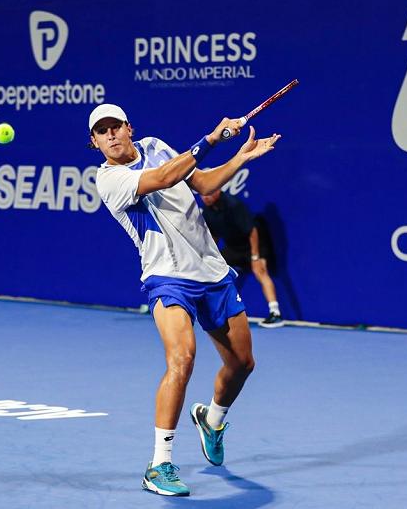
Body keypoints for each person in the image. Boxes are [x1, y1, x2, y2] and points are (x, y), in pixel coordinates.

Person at [90, 103, 281, 496]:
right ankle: (159, 464)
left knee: (242, 363)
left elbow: (204, 183)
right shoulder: (108, 179)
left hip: (212, 271)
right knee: (182, 357)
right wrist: (211, 138)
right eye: (101, 132)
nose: (110, 135)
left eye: (115, 127)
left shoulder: (157, 144)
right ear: (94, 142)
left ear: (129, 128)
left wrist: (238, 158)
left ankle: (212, 419)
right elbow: (162, 178)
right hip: (167, 277)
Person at [201, 189, 284, 328]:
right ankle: (215, 311)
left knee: (260, 271)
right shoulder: (207, 211)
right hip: (233, 247)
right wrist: (212, 256)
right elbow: (214, 235)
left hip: (253, 244)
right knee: (213, 270)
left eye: (208, 193)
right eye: (202, 194)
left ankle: (275, 314)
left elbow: (252, 231)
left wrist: (255, 256)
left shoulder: (234, 205)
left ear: (218, 191)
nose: (205, 197)